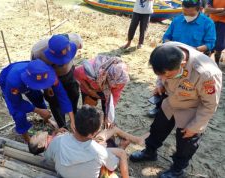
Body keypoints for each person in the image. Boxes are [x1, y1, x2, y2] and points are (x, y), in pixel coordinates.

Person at [130, 42, 222, 178]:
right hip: (171, 101)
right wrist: (160, 84)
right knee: (157, 128)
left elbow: (209, 105)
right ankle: (150, 152)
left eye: (167, 75)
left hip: (191, 109)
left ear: (182, 64)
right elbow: (161, 73)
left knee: (187, 141)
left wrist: (195, 127)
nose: (163, 78)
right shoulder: (165, 52)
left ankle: (178, 169)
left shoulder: (206, 74)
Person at [0, 59, 75, 142]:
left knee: (37, 97)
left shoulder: (48, 73)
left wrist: (72, 120)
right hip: (9, 80)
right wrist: (37, 110)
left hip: (32, 79)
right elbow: (17, 103)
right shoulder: (13, 82)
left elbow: (62, 95)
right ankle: (27, 139)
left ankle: (46, 119)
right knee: (18, 113)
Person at [44, 105, 129, 178]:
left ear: (75, 125)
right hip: (98, 159)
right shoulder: (99, 152)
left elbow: (47, 157)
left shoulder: (58, 140)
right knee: (120, 154)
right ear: (93, 134)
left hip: (64, 175)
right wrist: (102, 148)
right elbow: (112, 166)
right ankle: (122, 147)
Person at [31, 34, 80, 129]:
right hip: (50, 78)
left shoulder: (75, 42)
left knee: (74, 95)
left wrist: (73, 120)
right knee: (55, 101)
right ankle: (63, 127)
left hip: (69, 73)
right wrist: (47, 86)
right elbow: (38, 71)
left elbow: (65, 99)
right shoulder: (38, 52)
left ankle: (75, 119)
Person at [74, 55, 130, 126]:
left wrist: (108, 116)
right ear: (109, 77)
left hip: (106, 92)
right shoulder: (90, 70)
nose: (116, 86)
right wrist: (89, 90)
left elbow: (114, 97)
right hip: (89, 88)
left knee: (108, 115)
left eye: (118, 84)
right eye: (115, 84)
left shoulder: (121, 79)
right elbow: (76, 73)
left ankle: (106, 125)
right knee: (88, 112)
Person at [28, 124, 147, 155]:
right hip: (87, 147)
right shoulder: (58, 141)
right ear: (40, 145)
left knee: (108, 132)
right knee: (113, 129)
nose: (37, 133)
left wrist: (55, 132)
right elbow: (77, 141)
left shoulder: (50, 146)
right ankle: (137, 140)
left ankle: (121, 145)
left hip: (84, 146)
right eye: (36, 136)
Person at [205, 0, 225, 66]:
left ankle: (216, 63)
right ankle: (206, 62)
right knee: (209, 43)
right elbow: (207, 10)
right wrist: (222, 9)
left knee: (219, 46)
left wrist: (214, 10)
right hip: (212, 22)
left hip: (223, 24)